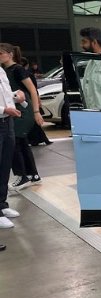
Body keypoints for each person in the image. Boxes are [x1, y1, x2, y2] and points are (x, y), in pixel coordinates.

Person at [0, 43, 44, 191]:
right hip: (14, 109)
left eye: (1, 53)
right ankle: (33, 175)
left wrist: (36, 111)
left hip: (23, 111)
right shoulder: (5, 71)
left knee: (15, 144)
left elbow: (32, 89)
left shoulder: (18, 69)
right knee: (22, 143)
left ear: (10, 54)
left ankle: (22, 175)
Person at [0, 66, 26, 229]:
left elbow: (5, 95)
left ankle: (2, 204)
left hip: (7, 122)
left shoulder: (1, 71)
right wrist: (4, 109)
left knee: (5, 166)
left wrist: (17, 98)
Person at [21, 57, 52, 146]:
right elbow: (34, 90)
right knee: (34, 122)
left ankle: (37, 139)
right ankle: (41, 139)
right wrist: (38, 102)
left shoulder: (22, 74)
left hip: (26, 100)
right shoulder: (29, 75)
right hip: (30, 100)